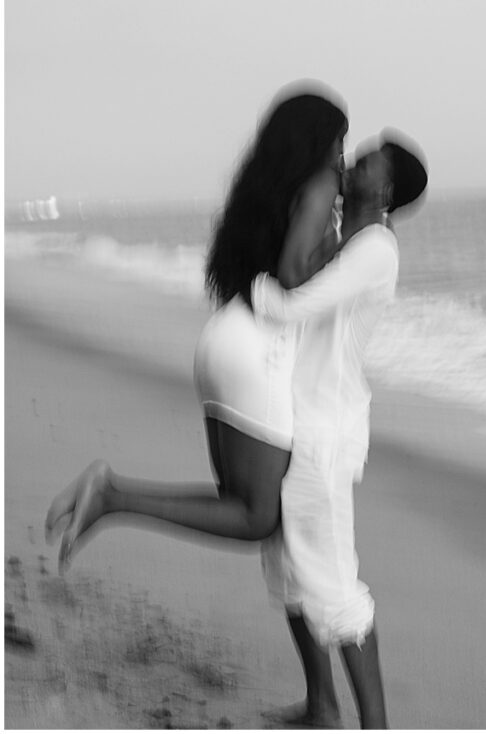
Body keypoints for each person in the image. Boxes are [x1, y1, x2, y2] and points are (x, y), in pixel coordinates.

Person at [44, 86, 348, 572]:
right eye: (339, 140)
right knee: (256, 518)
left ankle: (111, 495)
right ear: (318, 142)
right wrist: (345, 244)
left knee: (239, 503)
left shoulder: (262, 188)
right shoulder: (321, 183)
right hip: (257, 356)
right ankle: (110, 496)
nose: (342, 154)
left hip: (222, 339)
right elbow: (293, 277)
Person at [253, 133, 428, 729]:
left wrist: (248, 287)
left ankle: (375, 726)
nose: (359, 153)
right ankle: (321, 705)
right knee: (288, 573)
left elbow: (290, 303)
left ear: (384, 188)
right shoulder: (341, 233)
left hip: (325, 432)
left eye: (374, 153)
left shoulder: (376, 247)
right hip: (294, 416)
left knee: (337, 589)